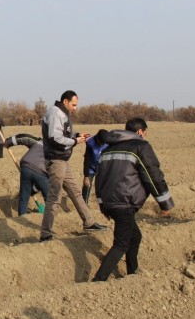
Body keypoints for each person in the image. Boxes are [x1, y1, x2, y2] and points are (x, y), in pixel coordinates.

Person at [92, 118, 174, 281]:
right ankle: (99, 280)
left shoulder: (108, 150)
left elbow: (99, 179)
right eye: (144, 132)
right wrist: (165, 203)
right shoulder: (140, 146)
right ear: (139, 132)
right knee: (121, 244)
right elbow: (153, 176)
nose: (144, 136)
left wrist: (102, 205)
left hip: (111, 202)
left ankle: (132, 273)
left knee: (135, 236)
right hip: (125, 202)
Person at [39, 90, 106, 242]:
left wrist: (76, 136)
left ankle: (89, 222)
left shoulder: (62, 113)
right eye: (74, 105)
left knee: (75, 192)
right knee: (54, 198)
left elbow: (63, 134)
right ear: (65, 102)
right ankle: (45, 234)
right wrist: (76, 141)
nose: (75, 108)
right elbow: (55, 138)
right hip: (56, 160)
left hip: (62, 160)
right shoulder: (56, 113)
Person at [4, 134, 48, 215]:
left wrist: (9, 141)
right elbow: (45, 181)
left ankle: (22, 218)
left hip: (26, 165)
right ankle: (51, 217)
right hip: (41, 171)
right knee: (50, 199)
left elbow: (24, 138)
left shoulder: (40, 141)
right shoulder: (57, 152)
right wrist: (33, 190)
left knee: (24, 199)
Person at [82, 129, 109, 205]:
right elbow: (87, 159)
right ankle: (84, 204)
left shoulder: (110, 142)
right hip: (92, 167)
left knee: (104, 186)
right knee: (87, 186)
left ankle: (103, 203)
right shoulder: (90, 143)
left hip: (104, 168)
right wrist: (86, 176)